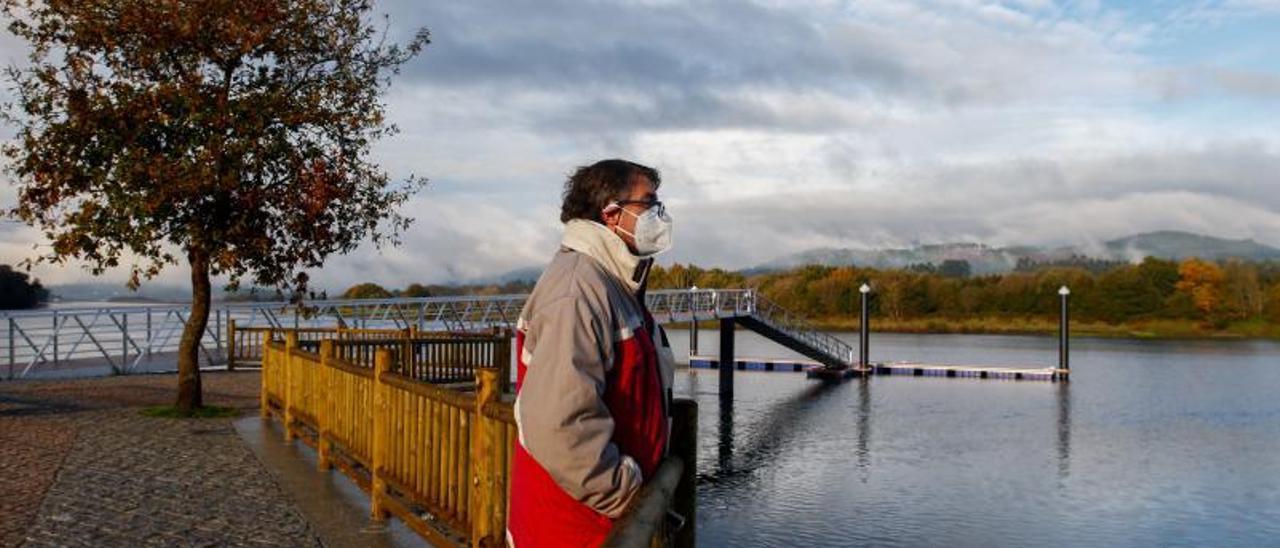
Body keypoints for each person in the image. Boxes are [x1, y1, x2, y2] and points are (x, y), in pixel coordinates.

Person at [507, 159, 677, 547]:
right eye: (649, 204)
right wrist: (626, 492)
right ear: (611, 213)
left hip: (597, 527)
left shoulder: (610, 281)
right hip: (575, 530)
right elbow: (558, 423)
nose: (659, 215)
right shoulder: (578, 290)